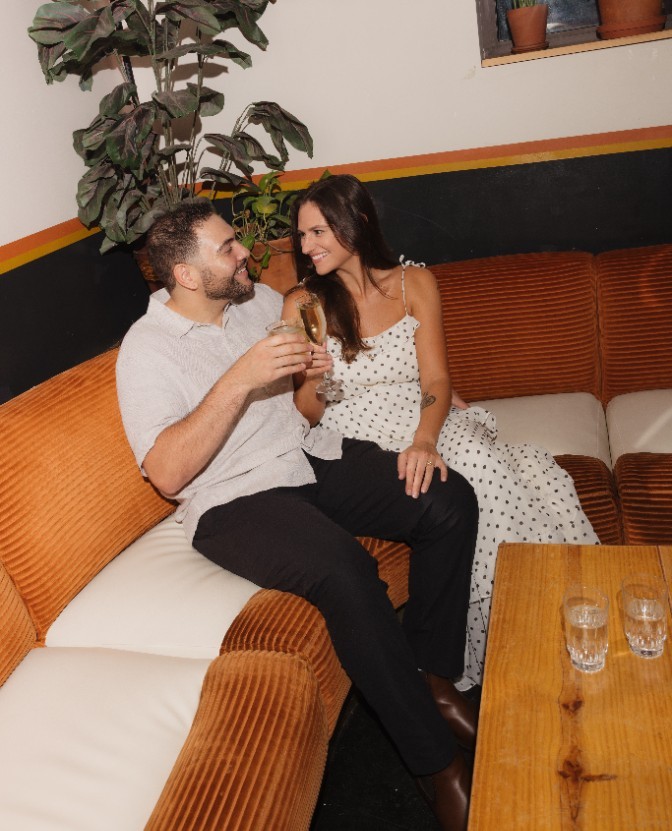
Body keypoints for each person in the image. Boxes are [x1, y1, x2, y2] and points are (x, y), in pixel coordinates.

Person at [115, 198, 480, 831]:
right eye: (228, 249)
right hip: (236, 498)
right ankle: (436, 764)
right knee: (346, 571)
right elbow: (167, 473)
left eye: (237, 241)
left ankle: (433, 678)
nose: (246, 254)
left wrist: (312, 371)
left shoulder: (257, 302)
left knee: (446, 500)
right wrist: (239, 378)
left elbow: (307, 393)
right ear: (187, 276)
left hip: (309, 455)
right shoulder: (146, 351)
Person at [283, 173, 600, 688]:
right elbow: (306, 412)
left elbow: (436, 380)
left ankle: (544, 610)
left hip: (423, 416)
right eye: (302, 235)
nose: (306, 246)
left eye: (318, 231)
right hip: (354, 432)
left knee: (481, 461)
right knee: (448, 488)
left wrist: (425, 440)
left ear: (356, 223)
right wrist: (315, 376)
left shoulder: (416, 283)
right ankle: (502, 652)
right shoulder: (303, 303)